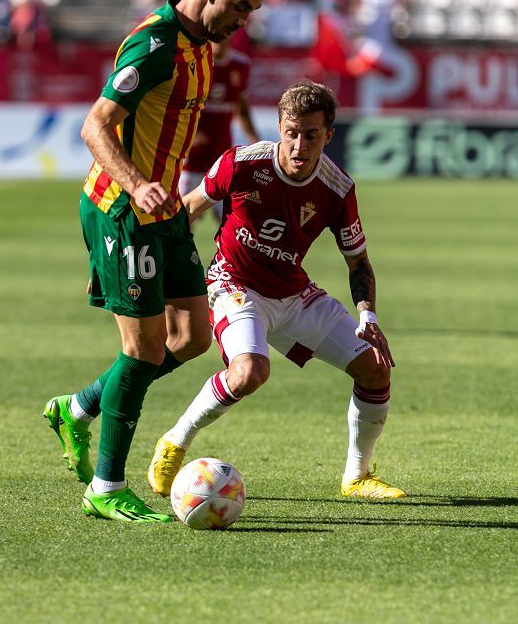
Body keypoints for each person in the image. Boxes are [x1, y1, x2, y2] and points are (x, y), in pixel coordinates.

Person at [42, 0, 269, 523]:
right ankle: (106, 485)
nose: (244, 21)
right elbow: (95, 126)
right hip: (122, 208)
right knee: (141, 350)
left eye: (253, 12)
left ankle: (80, 406)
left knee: (193, 337)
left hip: (164, 211)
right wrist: (137, 182)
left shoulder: (202, 45)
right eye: (241, 6)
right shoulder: (156, 42)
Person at [147, 80, 405, 501]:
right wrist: (166, 276)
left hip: (293, 292)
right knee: (249, 372)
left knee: (376, 367)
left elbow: (358, 263)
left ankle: (356, 477)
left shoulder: (337, 189)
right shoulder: (242, 164)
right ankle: (174, 442)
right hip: (234, 283)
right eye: (291, 132)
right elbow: (188, 211)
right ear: (280, 127)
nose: (299, 145)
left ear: (329, 135)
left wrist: (368, 317)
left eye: (311, 135)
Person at [179, 34, 259, 223]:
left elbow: (242, 109)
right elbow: (179, 107)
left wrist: (256, 142)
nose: (221, 41)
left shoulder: (240, 64)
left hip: (222, 155)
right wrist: (189, 135)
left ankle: (226, 254)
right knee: (183, 220)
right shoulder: (195, 62)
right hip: (192, 158)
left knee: (229, 221)